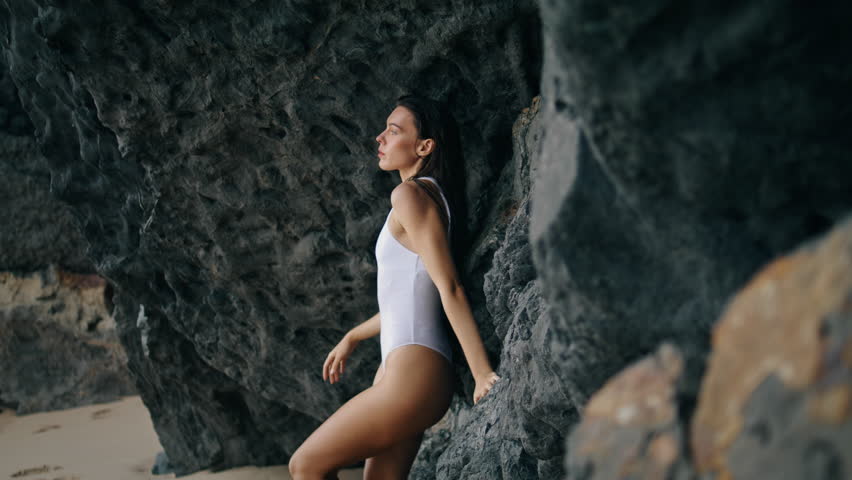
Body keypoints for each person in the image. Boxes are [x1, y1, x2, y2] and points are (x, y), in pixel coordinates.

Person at [288, 94, 500, 480]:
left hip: (413, 374)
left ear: (424, 147)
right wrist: (353, 335)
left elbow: (449, 286)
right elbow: (409, 297)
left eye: (393, 130)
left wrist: (482, 372)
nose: (379, 138)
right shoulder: (427, 197)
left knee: (305, 465)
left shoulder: (410, 194)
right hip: (404, 369)